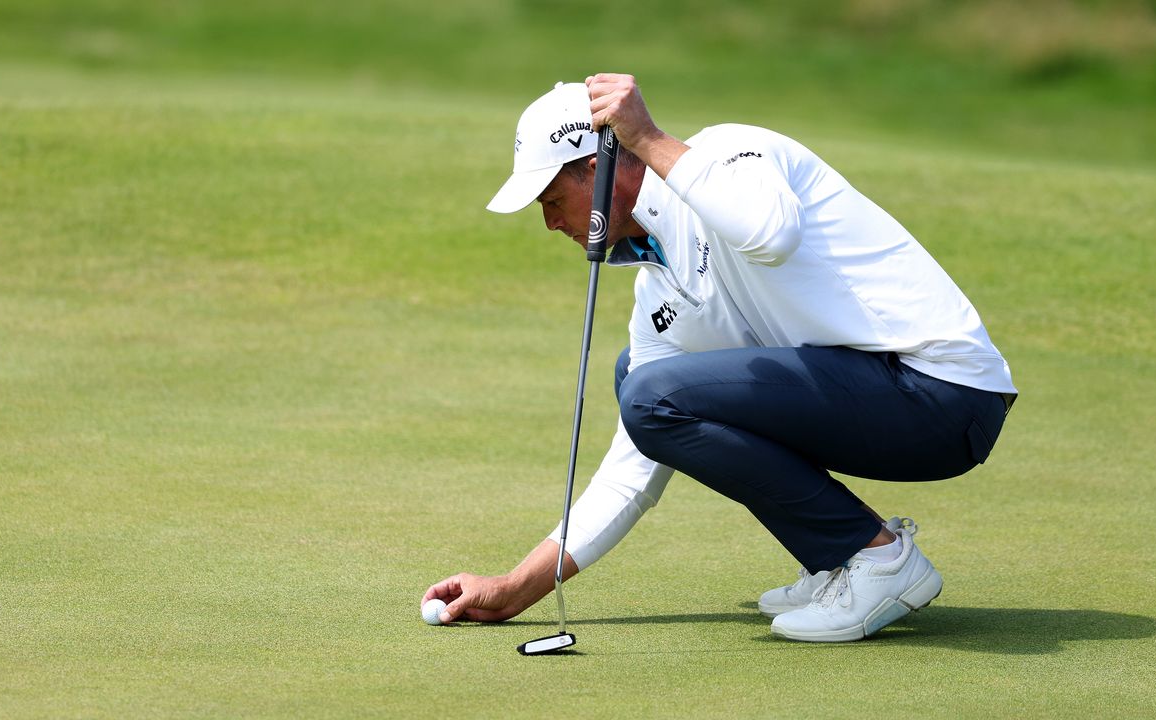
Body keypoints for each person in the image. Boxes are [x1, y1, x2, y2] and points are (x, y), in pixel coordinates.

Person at [422, 74, 1016, 642]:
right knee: (641, 379)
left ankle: (876, 559)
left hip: (941, 391)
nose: (550, 223)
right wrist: (517, 587)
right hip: (881, 401)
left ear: (599, 170)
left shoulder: (731, 152)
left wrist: (647, 138)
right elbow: (635, 462)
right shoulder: (658, 287)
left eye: (553, 199)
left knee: (650, 390)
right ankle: (840, 559)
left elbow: (769, 234)